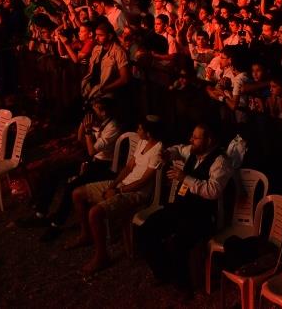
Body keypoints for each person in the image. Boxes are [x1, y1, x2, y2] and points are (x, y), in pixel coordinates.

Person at [138, 124, 234, 296]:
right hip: (181, 208)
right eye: (192, 136)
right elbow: (179, 149)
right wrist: (168, 153)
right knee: (146, 230)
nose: (191, 140)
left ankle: (184, 286)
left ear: (209, 140)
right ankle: (164, 273)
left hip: (202, 215)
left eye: (196, 137)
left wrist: (185, 178)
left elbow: (213, 191)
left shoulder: (221, 161)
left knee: (178, 242)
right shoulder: (193, 152)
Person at [66, 115, 164, 274]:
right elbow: (128, 167)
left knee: (95, 213)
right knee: (77, 193)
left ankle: (101, 257)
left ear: (149, 133)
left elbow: (144, 181)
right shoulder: (142, 142)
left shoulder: (158, 151)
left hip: (136, 193)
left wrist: (118, 191)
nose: (137, 131)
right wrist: (112, 185)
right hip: (122, 186)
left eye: (140, 129)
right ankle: (86, 234)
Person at [22, 97, 122, 242]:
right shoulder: (98, 122)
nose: (95, 111)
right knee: (54, 171)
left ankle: (57, 223)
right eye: (94, 108)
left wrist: (88, 132)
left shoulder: (113, 127)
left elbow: (91, 151)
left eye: (97, 109)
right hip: (92, 162)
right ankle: (40, 213)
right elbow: (80, 139)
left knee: (72, 186)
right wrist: (83, 123)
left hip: (105, 167)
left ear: (105, 111)